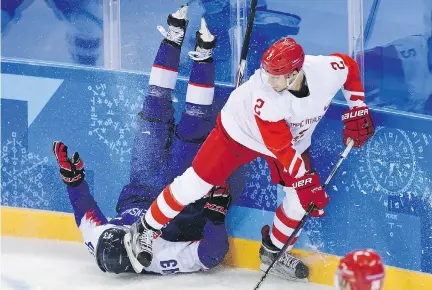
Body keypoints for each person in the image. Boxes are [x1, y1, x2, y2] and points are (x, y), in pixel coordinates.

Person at [130, 31, 376, 281]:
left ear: (294, 74)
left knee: (299, 202)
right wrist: (304, 180)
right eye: (266, 73)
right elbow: (280, 146)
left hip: (293, 140)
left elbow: (349, 66)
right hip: (239, 132)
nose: (267, 80)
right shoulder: (265, 96)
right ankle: (145, 228)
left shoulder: (325, 70)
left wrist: (358, 108)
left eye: (274, 76)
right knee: (196, 184)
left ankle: (273, 252)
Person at [52, 4, 231, 275]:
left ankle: (173, 37)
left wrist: (74, 182)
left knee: (155, 107)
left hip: (142, 180)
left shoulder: (100, 240)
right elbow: (211, 255)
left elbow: (84, 212)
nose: (116, 230)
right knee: (194, 122)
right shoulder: (157, 258)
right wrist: (215, 218)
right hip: (177, 195)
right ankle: (204, 54)